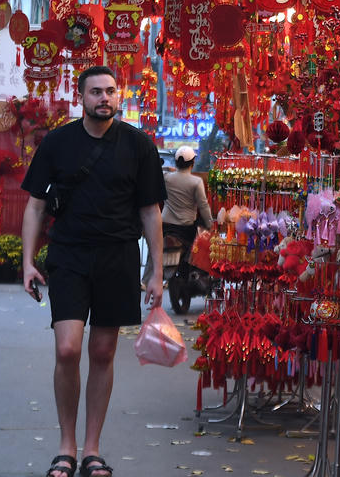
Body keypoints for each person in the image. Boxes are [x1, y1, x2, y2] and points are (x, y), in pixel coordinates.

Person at [21, 65, 166, 477]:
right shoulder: (58, 142)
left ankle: (91, 449)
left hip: (118, 256)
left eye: (111, 91)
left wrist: (156, 271)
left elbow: (150, 212)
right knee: (67, 349)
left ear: (119, 96)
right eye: (96, 92)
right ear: (81, 98)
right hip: (68, 255)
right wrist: (28, 261)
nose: (105, 98)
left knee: (103, 352)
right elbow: (35, 205)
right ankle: (65, 445)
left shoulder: (138, 145)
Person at [145, 146, 213, 285]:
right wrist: (210, 224)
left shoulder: (166, 177)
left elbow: (155, 171)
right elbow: (203, 206)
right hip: (186, 228)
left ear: (176, 162)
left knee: (154, 250)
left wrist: (168, 169)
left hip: (165, 226)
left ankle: (146, 280)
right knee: (200, 249)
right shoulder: (196, 182)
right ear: (192, 163)